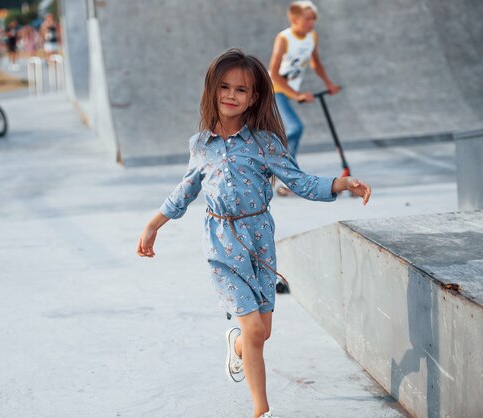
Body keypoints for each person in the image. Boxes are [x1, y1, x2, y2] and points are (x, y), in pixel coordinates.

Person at [136, 48, 371, 418]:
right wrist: (153, 225)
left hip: (260, 241)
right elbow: (184, 192)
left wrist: (341, 183)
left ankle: (237, 343)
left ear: (254, 97)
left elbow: (300, 181)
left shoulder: (266, 144)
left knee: (260, 333)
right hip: (221, 244)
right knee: (256, 332)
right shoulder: (201, 146)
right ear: (213, 90)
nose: (231, 95)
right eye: (224, 87)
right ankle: (261, 410)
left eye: (241, 90)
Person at [269, 1, 341, 196]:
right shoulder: (284, 38)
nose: (312, 22)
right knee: (294, 128)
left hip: (288, 90)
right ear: (294, 19)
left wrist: (329, 84)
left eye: (313, 18)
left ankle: (285, 175)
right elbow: (274, 74)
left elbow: (316, 63)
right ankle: (278, 166)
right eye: (307, 19)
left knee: (292, 132)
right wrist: (297, 95)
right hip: (273, 90)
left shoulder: (312, 36)